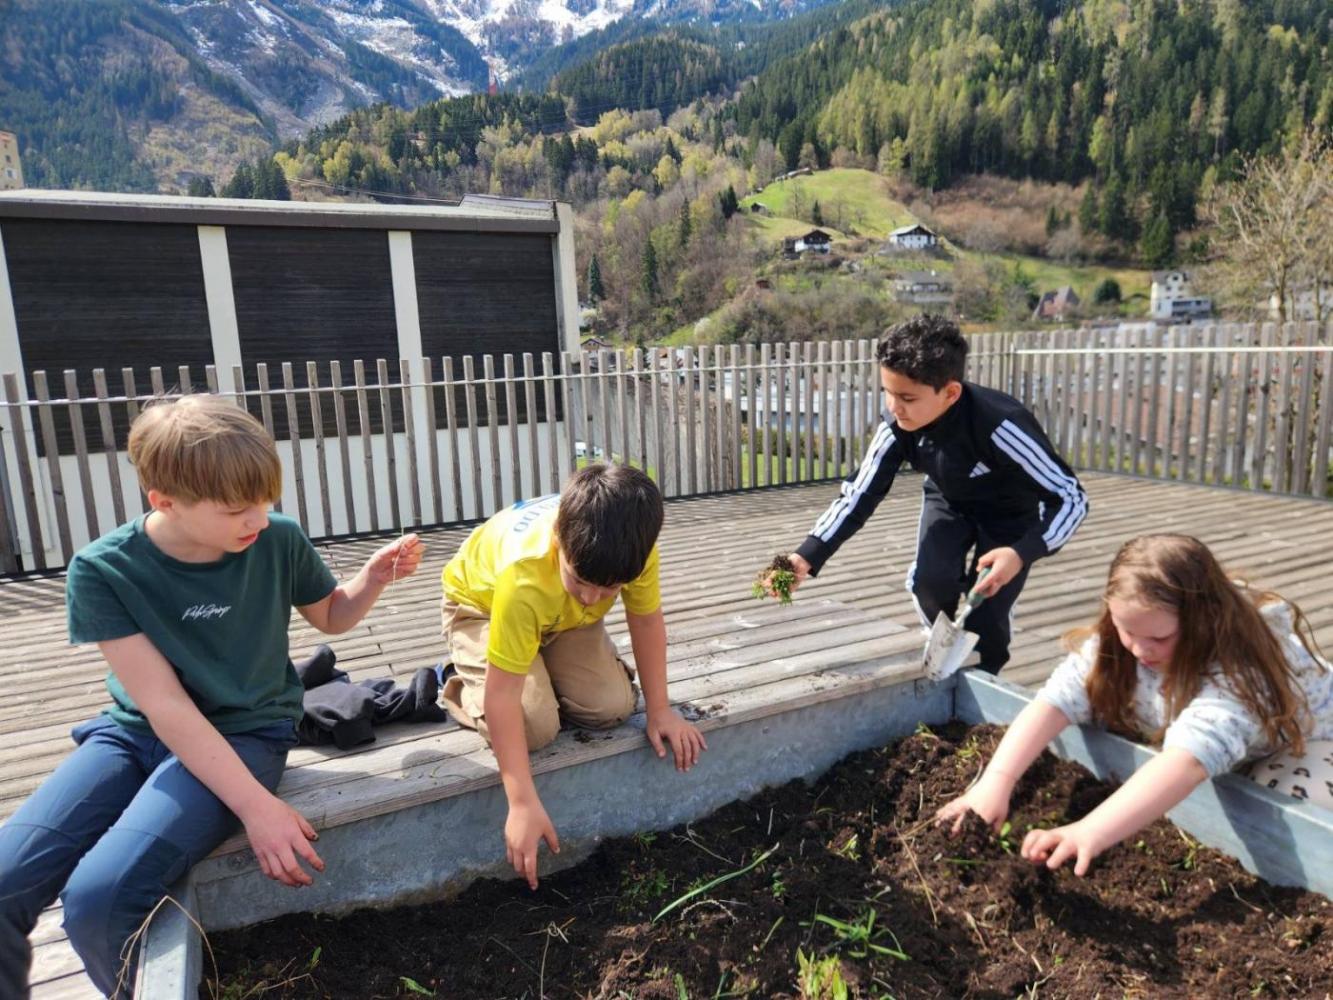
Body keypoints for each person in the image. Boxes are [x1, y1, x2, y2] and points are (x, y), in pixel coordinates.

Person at [0, 394, 423, 998]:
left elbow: (332, 616)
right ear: (164, 502)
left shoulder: (276, 538)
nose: (258, 520)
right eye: (235, 509)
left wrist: (372, 579)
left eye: (265, 501)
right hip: (137, 732)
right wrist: (258, 808)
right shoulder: (102, 570)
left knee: (99, 897)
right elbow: (164, 706)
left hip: (249, 731)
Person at [936, 534, 1333, 876]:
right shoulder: (1124, 643)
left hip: (1306, 746)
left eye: (1160, 639)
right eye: (1126, 630)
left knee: (1285, 810)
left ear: (1203, 621)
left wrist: (1090, 831)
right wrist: (995, 783)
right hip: (1219, 739)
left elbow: (1190, 760)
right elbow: (1055, 701)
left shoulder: (1241, 672)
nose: (1141, 650)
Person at [769, 313, 1087, 673]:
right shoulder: (896, 427)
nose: (894, 407)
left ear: (950, 393)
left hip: (1010, 515)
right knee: (930, 582)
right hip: (948, 498)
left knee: (988, 611)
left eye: (906, 397)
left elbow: (1071, 497)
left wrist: (1020, 553)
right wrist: (806, 555)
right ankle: (940, 653)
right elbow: (858, 495)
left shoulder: (1002, 426)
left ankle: (985, 677)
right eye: (888, 393)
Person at [439, 463, 707, 890]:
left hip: (562, 619)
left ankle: (539, 661)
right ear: (559, 540)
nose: (591, 596)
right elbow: (503, 695)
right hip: (482, 610)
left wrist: (660, 710)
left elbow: (645, 620)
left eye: (609, 589)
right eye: (580, 579)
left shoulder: (633, 550)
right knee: (534, 726)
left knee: (613, 707)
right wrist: (521, 801)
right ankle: (460, 679)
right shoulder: (524, 574)